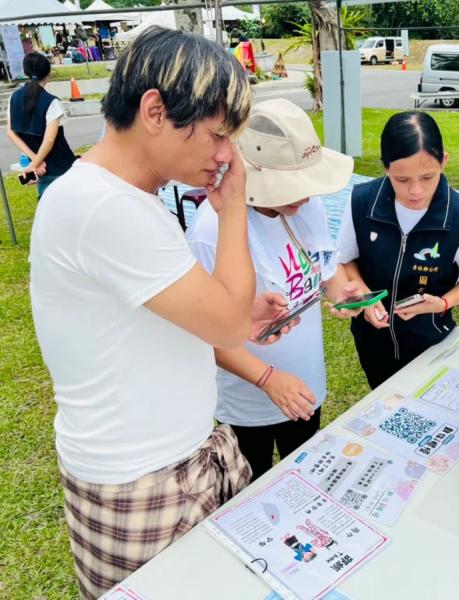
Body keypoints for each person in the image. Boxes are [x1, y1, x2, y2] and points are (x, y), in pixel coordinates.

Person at [28, 27, 282, 599]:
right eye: (218, 135)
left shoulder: (118, 197)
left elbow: (184, 314)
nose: (225, 156)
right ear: (154, 110)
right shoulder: (106, 207)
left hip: (170, 458)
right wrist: (234, 206)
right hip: (143, 482)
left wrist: (236, 314)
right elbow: (220, 321)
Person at [187, 99, 361, 479]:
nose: (304, 195)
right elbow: (205, 332)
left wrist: (343, 294)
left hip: (305, 384)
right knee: (253, 488)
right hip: (248, 400)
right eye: (292, 187)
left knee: (306, 477)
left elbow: (324, 271)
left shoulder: (305, 206)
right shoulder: (211, 232)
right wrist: (268, 379)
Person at [337, 111, 459, 389]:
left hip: (430, 341)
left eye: (427, 177)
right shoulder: (361, 202)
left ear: (444, 161)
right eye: (402, 180)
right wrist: (366, 297)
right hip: (372, 339)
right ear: (385, 168)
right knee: (382, 397)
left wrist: (442, 303)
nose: (416, 191)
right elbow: (345, 260)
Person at [6, 51, 77, 198]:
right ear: (48, 72)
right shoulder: (52, 102)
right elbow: (49, 140)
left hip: (41, 169)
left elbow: (11, 133)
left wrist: (35, 161)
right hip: (61, 167)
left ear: (26, 72)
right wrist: (34, 164)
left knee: (46, 209)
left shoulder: (14, 98)